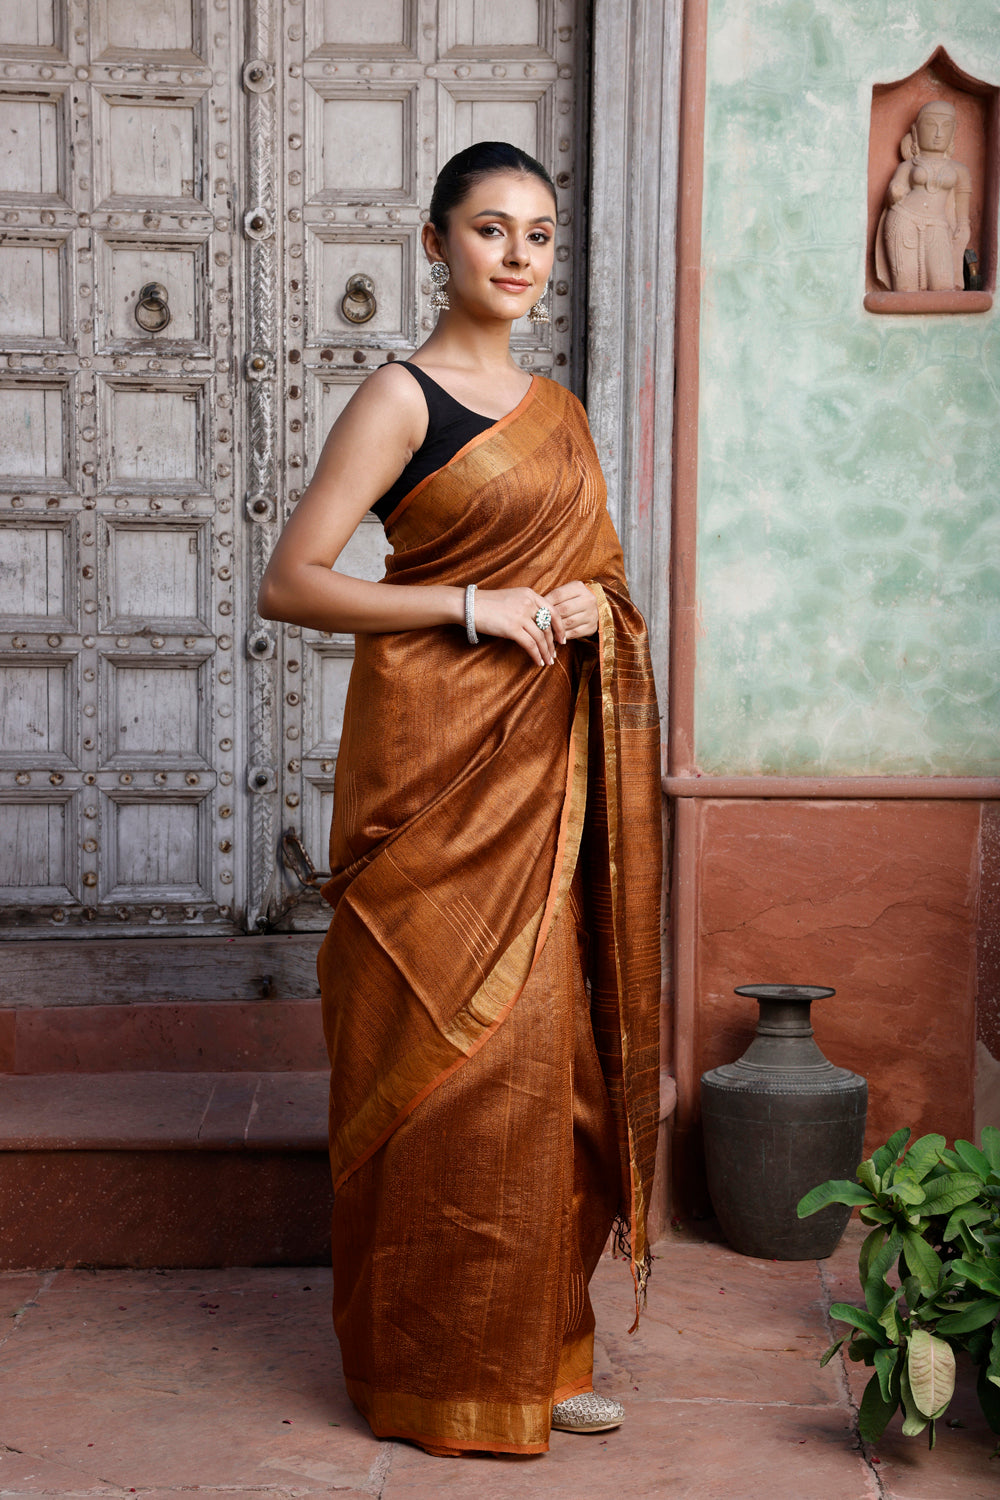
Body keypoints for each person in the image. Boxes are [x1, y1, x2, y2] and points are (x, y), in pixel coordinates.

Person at [258, 141, 662, 1458]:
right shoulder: (400, 396)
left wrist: (586, 607)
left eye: (538, 233)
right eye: (490, 229)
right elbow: (293, 581)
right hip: (430, 783)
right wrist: (470, 605)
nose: (517, 254)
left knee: (551, 1079)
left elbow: (604, 587)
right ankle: (423, 1373)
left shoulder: (562, 414)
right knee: (439, 1078)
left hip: (543, 790)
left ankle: (539, 1358)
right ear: (435, 244)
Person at [876, 99, 972, 292]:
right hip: (903, 219)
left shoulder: (959, 170)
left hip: (938, 225)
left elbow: (963, 208)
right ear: (916, 131)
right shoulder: (908, 165)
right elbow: (893, 191)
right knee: (905, 286)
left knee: (943, 285)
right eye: (930, 125)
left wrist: (963, 225)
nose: (938, 133)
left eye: (946, 127)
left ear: (953, 132)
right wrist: (894, 192)